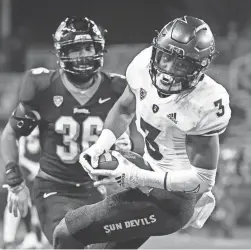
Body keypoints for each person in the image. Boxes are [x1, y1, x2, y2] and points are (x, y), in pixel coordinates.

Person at [52, 16, 231, 248]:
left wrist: (137, 176)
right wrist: (101, 145)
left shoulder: (205, 102)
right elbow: (125, 108)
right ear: (157, 51)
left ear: (198, 68)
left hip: (172, 200)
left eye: (181, 64)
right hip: (146, 174)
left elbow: (203, 181)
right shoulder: (144, 64)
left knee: (65, 233)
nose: (168, 71)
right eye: (166, 58)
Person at [1, 17, 138, 249]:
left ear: (99, 49)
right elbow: (10, 135)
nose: (83, 55)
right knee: (70, 241)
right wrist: (15, 182)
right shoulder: (43, 86)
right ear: (62, 53)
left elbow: (132, 137)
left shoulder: (117, 88)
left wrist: (125, 149)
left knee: (125, 238)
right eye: (75, 49)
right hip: (54, 188)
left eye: (88, 47)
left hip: (98, 187)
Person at [2, 127, 43, 249]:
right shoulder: (22, 130)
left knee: (39, 207)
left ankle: (36, 237)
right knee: (15, 201)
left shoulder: (47, 127)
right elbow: (18, 155)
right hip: (28, 173)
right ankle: (10, 240)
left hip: (43, 173)